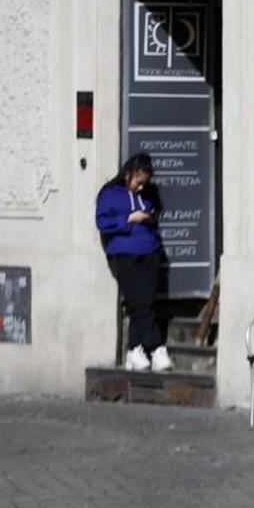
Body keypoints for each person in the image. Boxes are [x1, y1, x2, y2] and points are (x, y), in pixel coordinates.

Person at [95, 153, 173, 372]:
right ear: (129, 174)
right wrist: (129, 218)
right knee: (138, 300)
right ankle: (157, 347)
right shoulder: (110, 194)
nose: (141, 188)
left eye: (144, 184)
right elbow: (102, 222)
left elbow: (156, 215)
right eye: (139, 183)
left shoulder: (148, 194)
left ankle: (135, 349)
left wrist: (149, 217)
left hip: (149, 251)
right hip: (124, 253)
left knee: (146, 300)